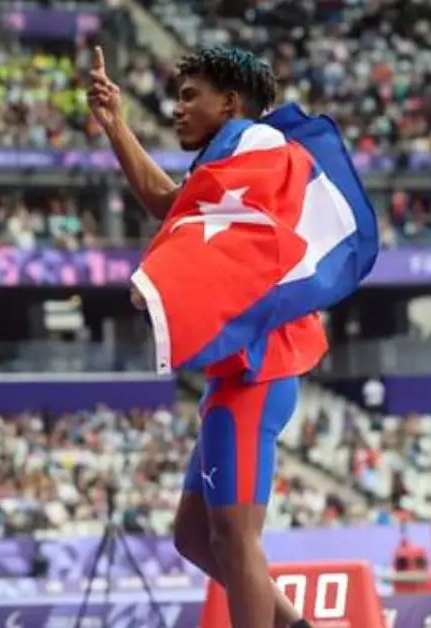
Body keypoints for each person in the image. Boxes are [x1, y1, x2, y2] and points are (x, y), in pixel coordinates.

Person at [88, 45, 317, 628]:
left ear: (230, 104)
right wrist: (116, 126)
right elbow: (173, 209)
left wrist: (159, 278)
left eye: (191, 96)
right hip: (239, 376)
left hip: (255, 374)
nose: (177, 108)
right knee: (194, 536)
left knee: (236, 538)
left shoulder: (256, 150)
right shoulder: (222, 167)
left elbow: (192, 231)